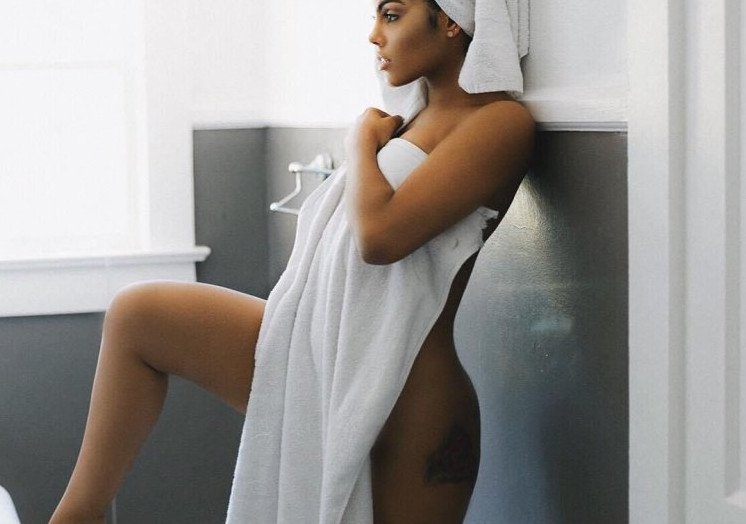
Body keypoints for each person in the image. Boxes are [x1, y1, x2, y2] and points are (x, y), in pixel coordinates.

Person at [50, 0, 534, 522]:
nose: (374, 35)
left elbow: (379, 239)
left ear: (453, 20)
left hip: (412, 400)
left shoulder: (500, 122)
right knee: (138, 315)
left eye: (391, 15)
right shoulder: (408, 119)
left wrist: (359, 145)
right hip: (315, 351)